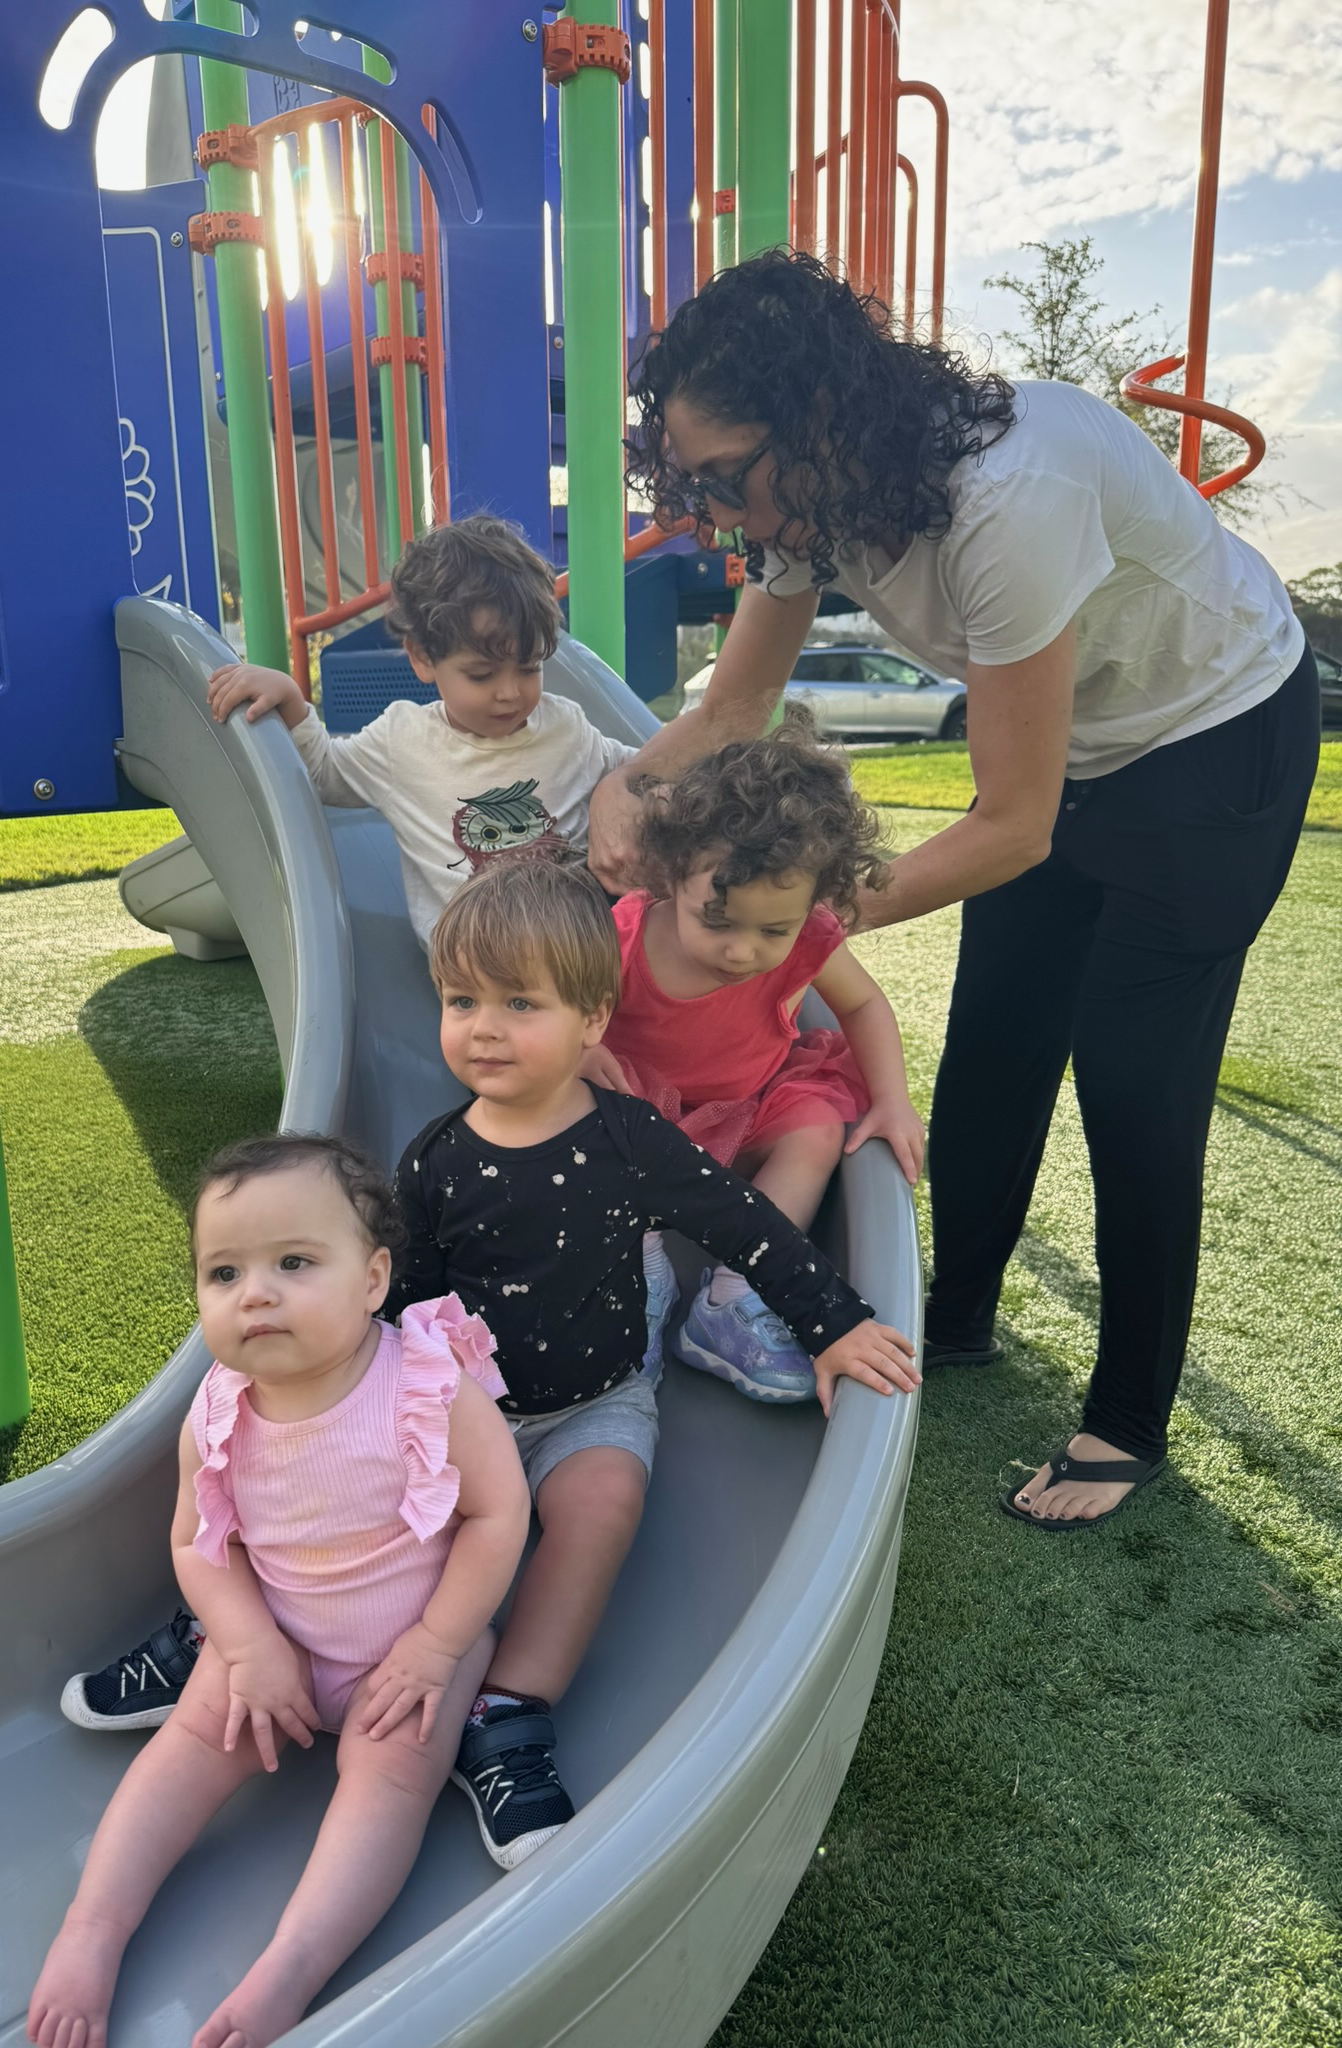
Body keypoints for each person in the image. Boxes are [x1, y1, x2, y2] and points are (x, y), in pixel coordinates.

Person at [593, 248, 1320, 1530]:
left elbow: (1013, 823)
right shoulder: (810, 507)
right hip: (1082, 758)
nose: (722, 515)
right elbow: (738, 701)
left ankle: (1127, 1418)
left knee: (1135, 1076)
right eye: (695, 483)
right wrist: (619, 793)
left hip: (1213, 741)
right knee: (993, 1040)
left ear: (816, 420)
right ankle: (963, 1312)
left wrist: (782, 930)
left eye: (725, 478)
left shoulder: (1010, 495)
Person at [388, 855, 919, 1868]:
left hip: (601, 1394)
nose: (485, 1025)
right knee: (394, 1497)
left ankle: (507, 1712)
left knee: (600, 1511)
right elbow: (408, 1297)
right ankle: (266, 1627)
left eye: (519, 1002)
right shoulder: (434, 1158)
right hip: (474, 1402)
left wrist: (834, 1321)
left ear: (595, 1020)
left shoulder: (628, 1140)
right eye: (462, 1000)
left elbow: (747, 1222)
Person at [29, 1135, 530, 2048]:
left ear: (373, 1278)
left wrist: (437, 1645)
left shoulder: (424, 1383)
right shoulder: (219, 1408)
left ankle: (289, 1969)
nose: (254, 1292)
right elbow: (196, 1541)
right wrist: (251, 1647)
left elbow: (500, 1516)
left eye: (294, 1263)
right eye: (224, 1273)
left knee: (389, 1777)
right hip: (281, 1646)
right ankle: (90, 1930)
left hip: (411, 1653)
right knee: (187, 1746)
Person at [585, 708, 925, 1403]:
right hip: (642, 1118)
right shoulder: (622, 939)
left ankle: (733, 1297)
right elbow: (556, 1009)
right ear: (672, 877)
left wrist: (892, 1100)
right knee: (585, 1128)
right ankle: (632, 1280)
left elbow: (862, 1005)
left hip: (748, 1105)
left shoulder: (810, 936)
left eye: (774, 929)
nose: (743, 951)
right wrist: (581, 1050)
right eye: (717, 921)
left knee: (816, 1127)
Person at [205, 513, 638, 946]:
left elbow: (641, 770)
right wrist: (292, 703)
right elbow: (322, 772)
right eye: (481, 675)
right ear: (423, 657)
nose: (509, 692)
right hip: (479, 970)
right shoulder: (404, 740)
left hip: (585, 951)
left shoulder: (568, 728)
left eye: (529, 668)